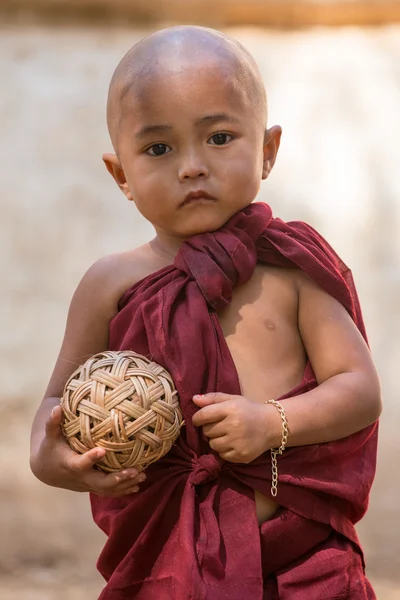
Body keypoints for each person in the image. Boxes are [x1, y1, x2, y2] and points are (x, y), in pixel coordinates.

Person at [30, 25, 382, 599]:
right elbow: (52, 412)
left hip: (303, 565)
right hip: (172, 567)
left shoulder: (291, 270)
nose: (192, 166)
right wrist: (58, 460)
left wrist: (272, 423)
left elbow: (360, 389)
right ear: (121, 175)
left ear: (267, 150)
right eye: (159, 149)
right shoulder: (109, 285)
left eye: (219, 137)